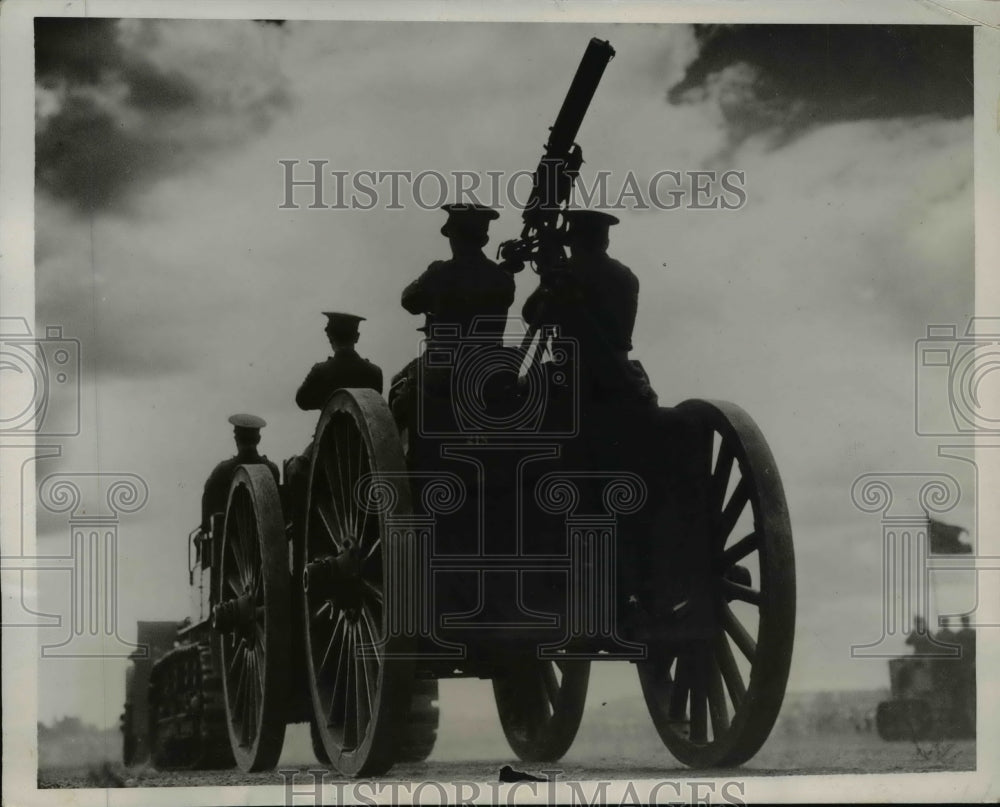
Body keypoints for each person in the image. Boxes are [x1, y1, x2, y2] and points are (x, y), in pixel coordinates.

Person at [401, 203, 515, 344]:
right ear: (484, 240)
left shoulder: (441, 272)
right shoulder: (502, 277)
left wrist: (430, 272)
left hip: (449, 361)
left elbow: (409, 302)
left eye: (452, 235)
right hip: (488, 361)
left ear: (455, 236)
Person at [200, 414, 280, 533]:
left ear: (236, 439)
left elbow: (208, 494)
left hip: (231, 536)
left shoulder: (222, 470)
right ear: (259, 439)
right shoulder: (272, 470)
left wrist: (205, 528)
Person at [295, 312, 383, 410]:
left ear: (330, 337)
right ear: (357, 337)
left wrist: (326, 401)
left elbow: (302, 401)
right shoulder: (375, 372)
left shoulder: (320, 371)